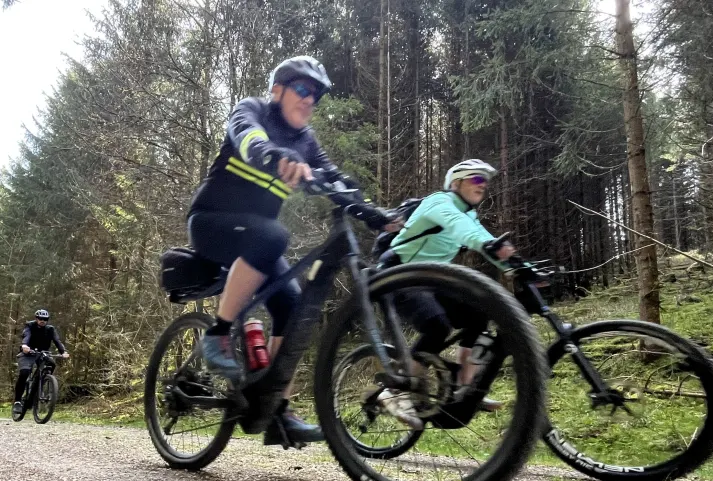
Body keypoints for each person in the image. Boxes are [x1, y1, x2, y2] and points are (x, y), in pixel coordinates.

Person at [188, 55, 395, 446]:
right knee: (274, 235)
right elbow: (247, 137)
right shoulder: (252, 110)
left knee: (295, 309)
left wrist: (373, 214)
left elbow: (335, 177)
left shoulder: (307, 141)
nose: (309, 99)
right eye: (302, 88)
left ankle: (275, 409)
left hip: (258, 239)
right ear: (277, 90)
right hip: (211, 224)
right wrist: (275, 155)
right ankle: (217, 334)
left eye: (315, 94)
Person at [377, 159, 517, 427]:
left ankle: (465, 385)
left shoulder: (470, 215)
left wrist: (521, 267)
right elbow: (462, 230)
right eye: (476, 179)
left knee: (479, 313)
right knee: (437, 326)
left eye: (485, 182)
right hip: (398, 274)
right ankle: (395, 390)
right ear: (456, 183)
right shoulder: (438, 202)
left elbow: (489, 243)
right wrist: (487, 244)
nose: (483, 185)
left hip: (431, 280)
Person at [13, 309, 69, 416]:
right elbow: (26, 336)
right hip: (28, 353)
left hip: (43, 353)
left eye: (45, 319)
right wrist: (24, 345)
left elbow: (57, 341)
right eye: (40, 319)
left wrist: (63, 352)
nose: (42, 321)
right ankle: (18, 401)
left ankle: (40, 384)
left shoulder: (50, 329)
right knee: (24, 372)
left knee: (51, 364)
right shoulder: (30, 326)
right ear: (36, 319)